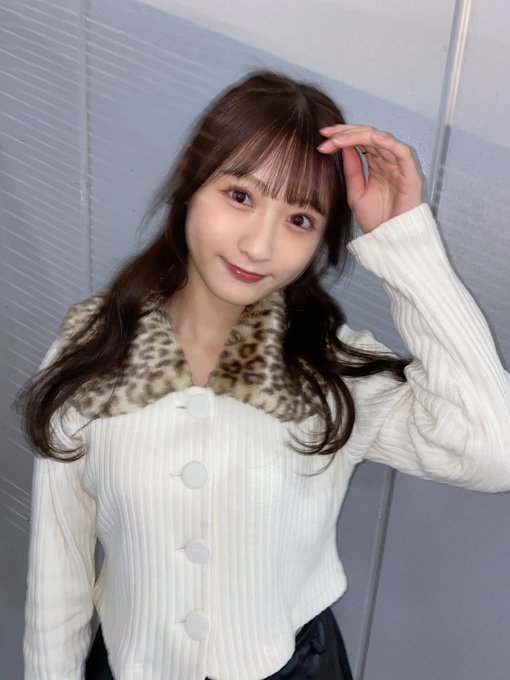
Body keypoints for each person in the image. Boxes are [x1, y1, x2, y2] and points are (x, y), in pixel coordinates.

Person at [21, 71, 510, 680]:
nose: (258, 246)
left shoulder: (331, 373)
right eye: (240, 196)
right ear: (191, 184)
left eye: (300, 219)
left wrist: (403, 240)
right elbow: (59, 570)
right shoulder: (96, 344)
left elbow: (494, 452)